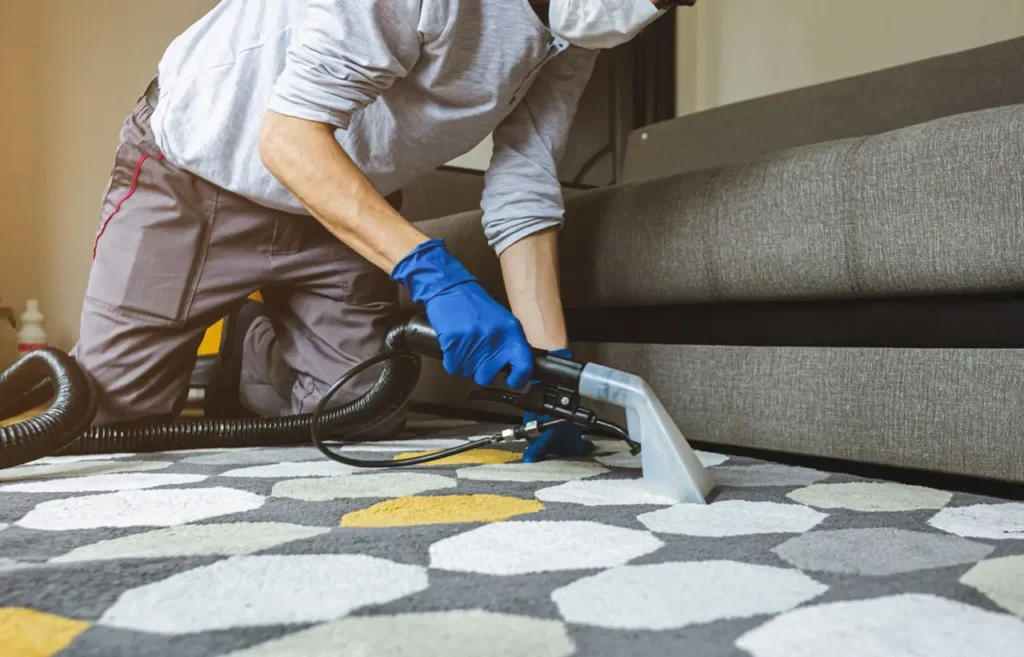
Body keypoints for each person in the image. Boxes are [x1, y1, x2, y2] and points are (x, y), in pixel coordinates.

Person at [76, 0, 678, 462]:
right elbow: (288, 137)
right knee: (109, 421)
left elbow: (525, 180)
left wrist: (554, 379)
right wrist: (436, 277)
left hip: (341, 200)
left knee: (359, 415)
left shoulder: (569, 33)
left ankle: (252, 341)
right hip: (200, 172)